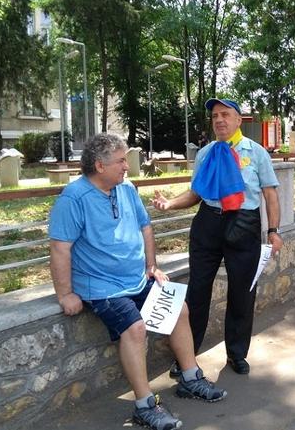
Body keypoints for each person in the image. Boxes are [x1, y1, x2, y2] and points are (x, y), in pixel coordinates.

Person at [48, 134, 225, 430]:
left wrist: (151, 266)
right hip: (101, 286)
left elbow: (145, 227)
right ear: (99, 165)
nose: (127, 167)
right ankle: (144, 405)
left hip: (135, 278)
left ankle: (190, 377)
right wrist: (65, 293)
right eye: (120, 161)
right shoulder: (73, 198)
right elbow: (59, 248)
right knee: (134, 328)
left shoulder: (126, 188)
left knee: (179, 310)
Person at [152, 98, 283, 376]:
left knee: (242, 292)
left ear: (238, 120)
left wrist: (273, 231)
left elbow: (270, 194)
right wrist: (170, 204)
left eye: (225, 115)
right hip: (208, 222)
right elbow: (195, 193)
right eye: (214, 116)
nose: (219, 120)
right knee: (198, 291)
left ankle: (236, 354)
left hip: (244, 224)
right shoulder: (206, 154)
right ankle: (187, 357)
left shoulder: (256, 153)